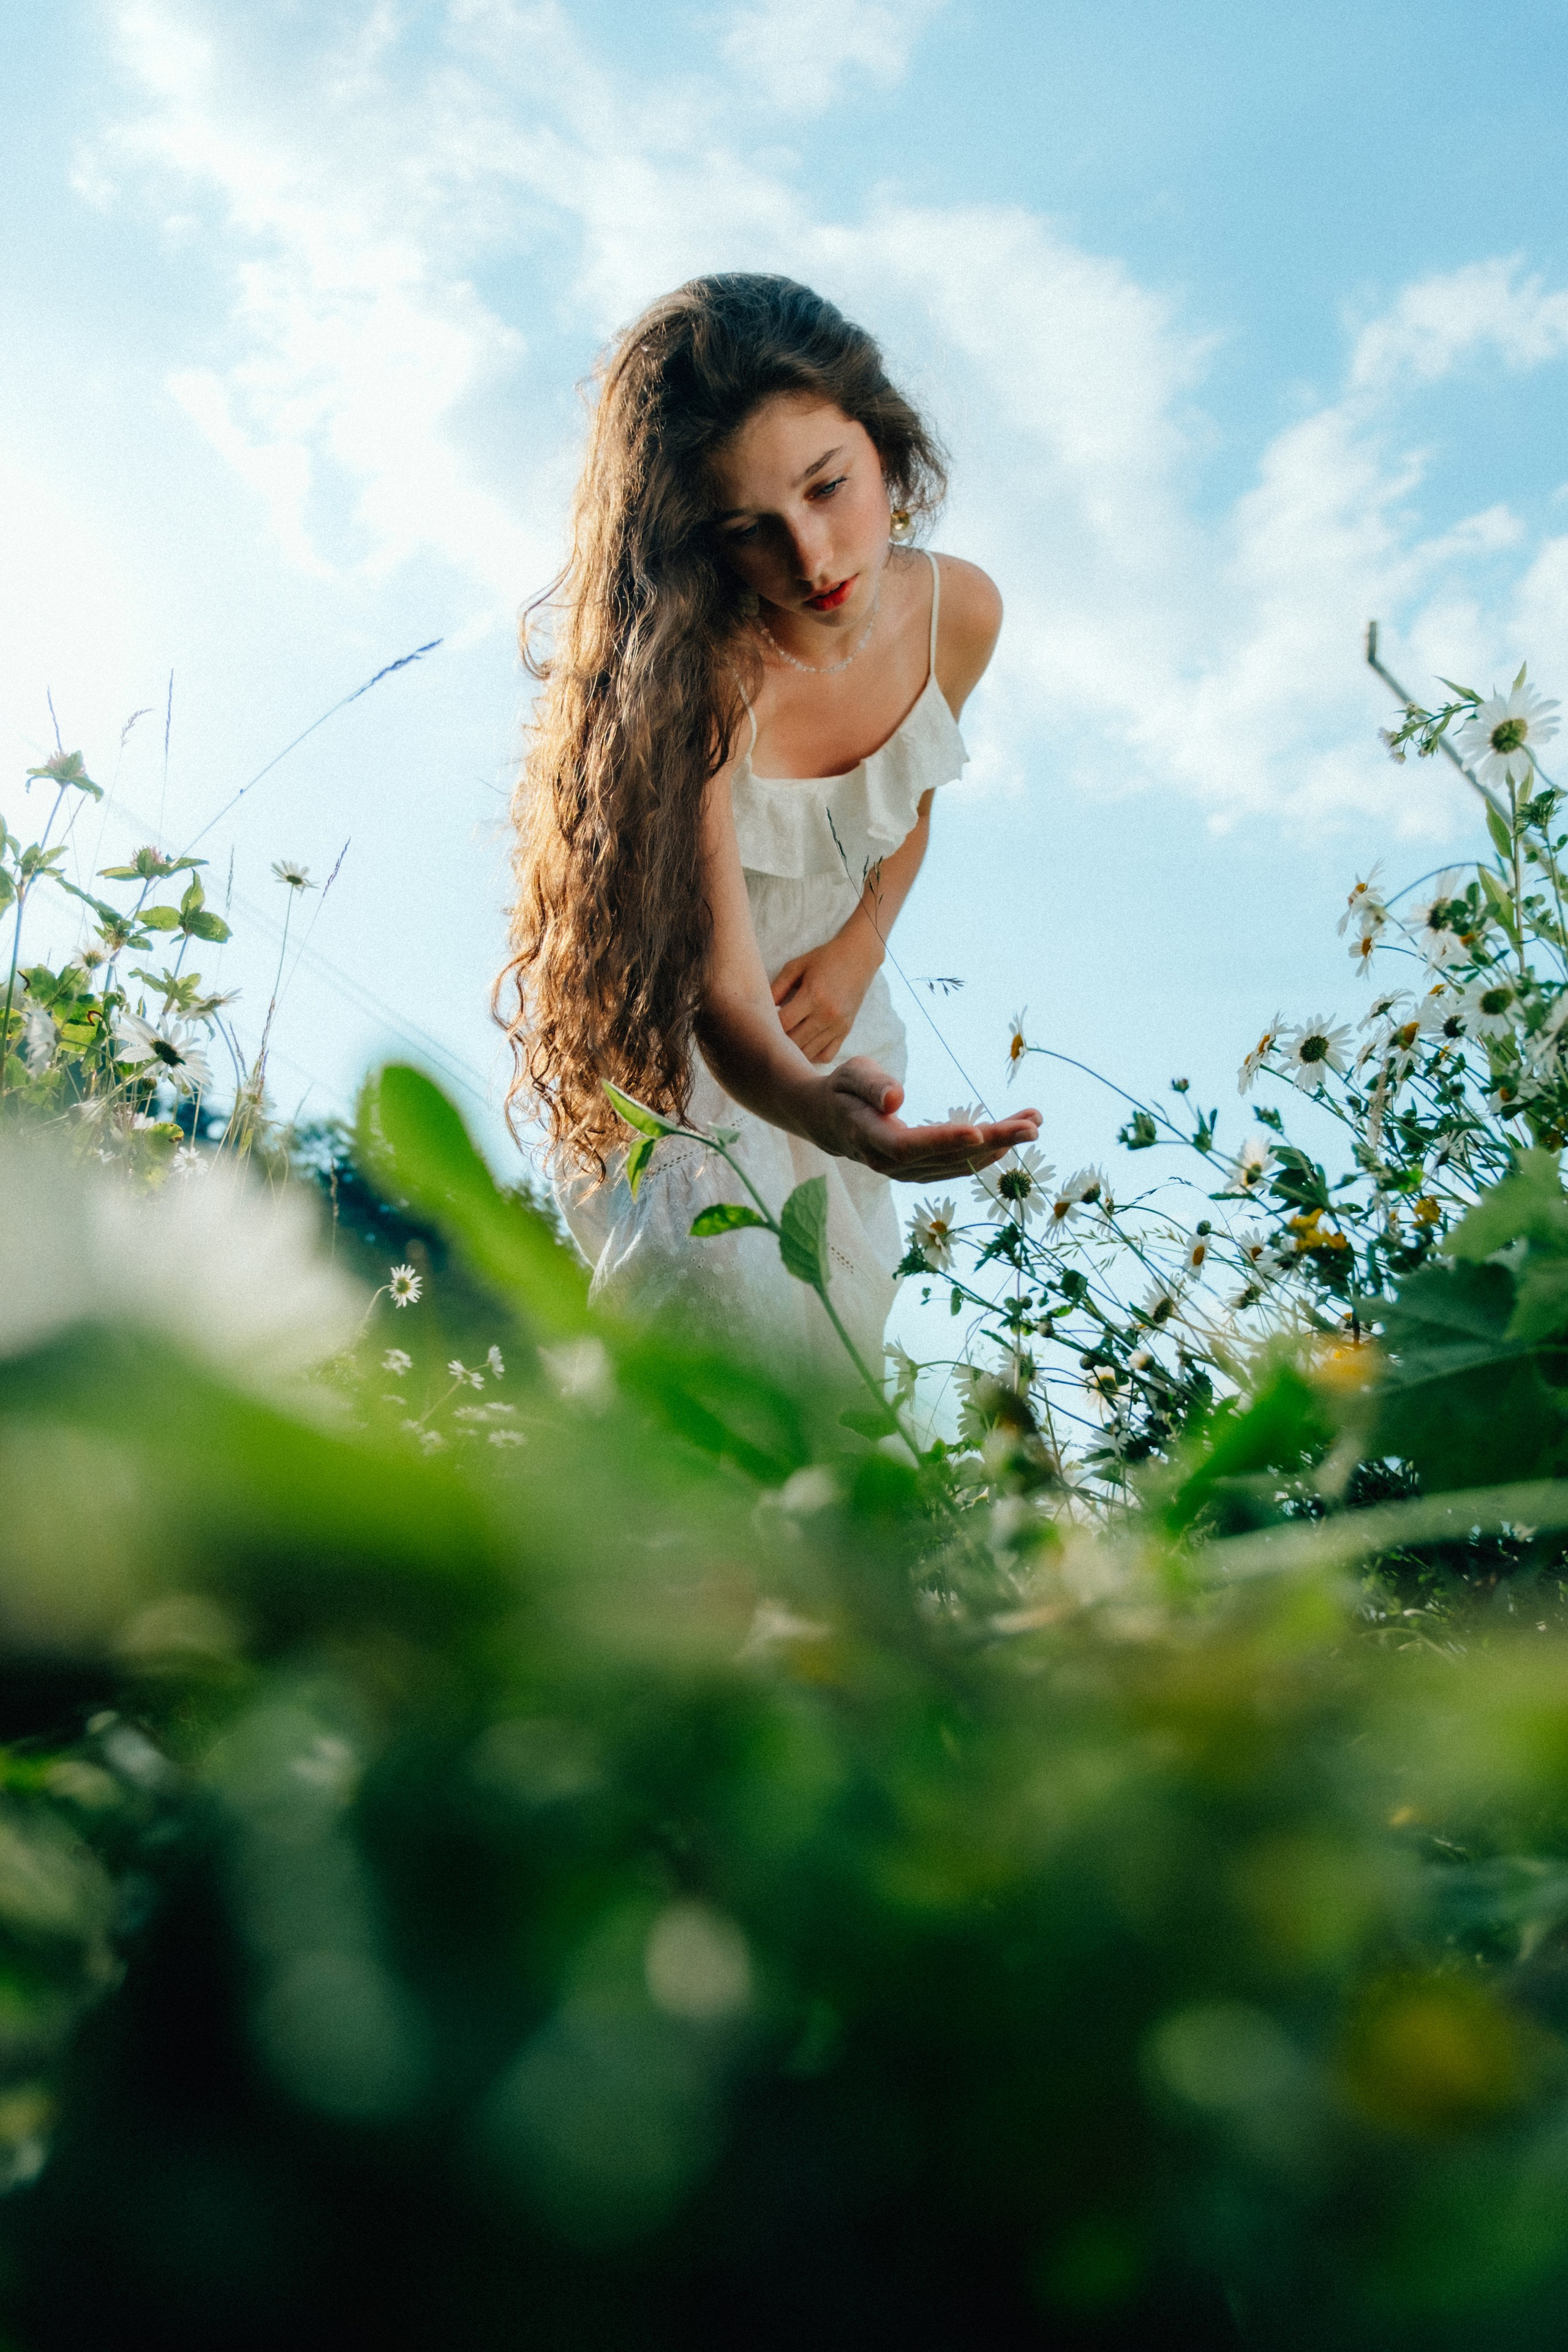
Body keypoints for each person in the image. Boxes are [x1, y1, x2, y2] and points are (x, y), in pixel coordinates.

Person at [497, 274, 1041, 1374]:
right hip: (691, 1058)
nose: (811, 556)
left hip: (838, 1030)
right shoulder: (694, 682)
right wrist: (805, 1104)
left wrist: (853, 956)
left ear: (883, 439)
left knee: (837, 1362)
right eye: (751, 530)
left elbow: (908, 811)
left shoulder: (959, 612)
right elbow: (724, 995)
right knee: (720, 1361)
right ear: (699, 540)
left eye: (829, 488)